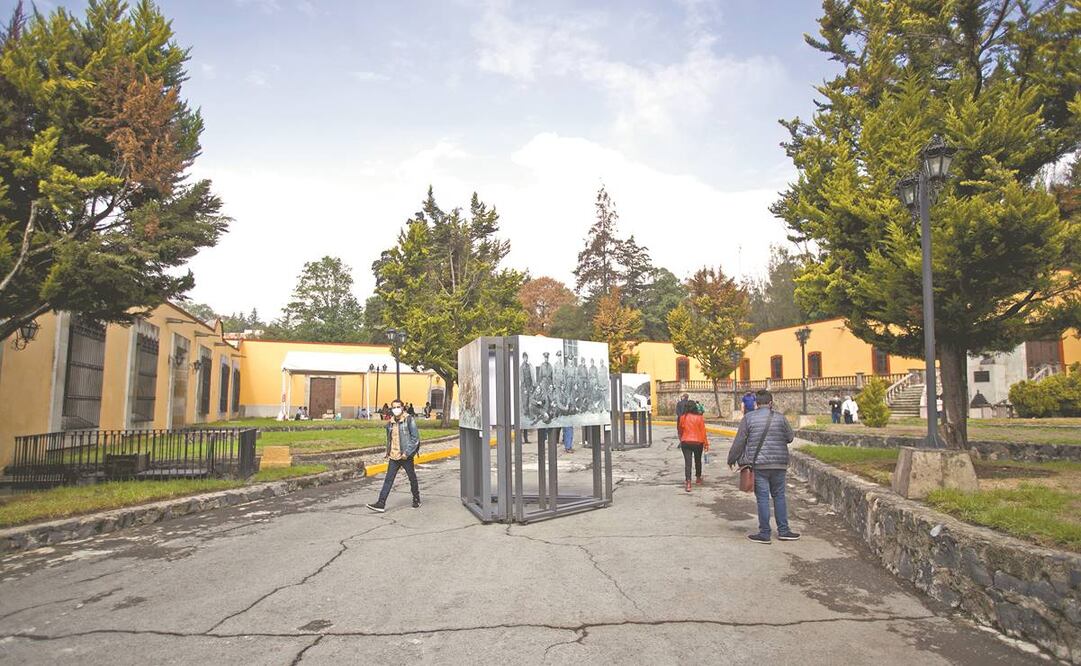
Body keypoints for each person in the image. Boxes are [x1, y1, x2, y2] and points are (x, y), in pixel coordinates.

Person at [727, 389, 799, 544]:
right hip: (779, 463)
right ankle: (784, 530)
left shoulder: (749, 418)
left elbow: (739, 441)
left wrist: (732, 458)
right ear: (771, 402)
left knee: (763, 498)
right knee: (779, 496)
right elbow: (790, 437)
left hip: (758, 464)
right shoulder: (780, 418)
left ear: (756, 403)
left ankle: (765, 533)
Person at [367, 399, 422, 512]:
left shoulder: (409, 420)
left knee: (412, 478)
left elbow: (415, 438)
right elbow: (390, 439)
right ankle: (381, 503)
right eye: (394, 407)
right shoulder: (390, 423)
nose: (396, 409)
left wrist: (407, 453)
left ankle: (416, 498)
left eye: (398, 407)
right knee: (388, 480)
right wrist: (388, 452)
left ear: (402, 408)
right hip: (394, 456)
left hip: (405, 456)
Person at [678, 402, 709, 492]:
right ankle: (698, 478)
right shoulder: (699, 418)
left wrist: (681, 438)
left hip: (686, 441)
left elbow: (680, 429)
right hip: (698, 442)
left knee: (688, 462)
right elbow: (703, 431)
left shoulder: (682, 417)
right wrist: (706, 443)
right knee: (697, 460)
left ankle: (688, 483)